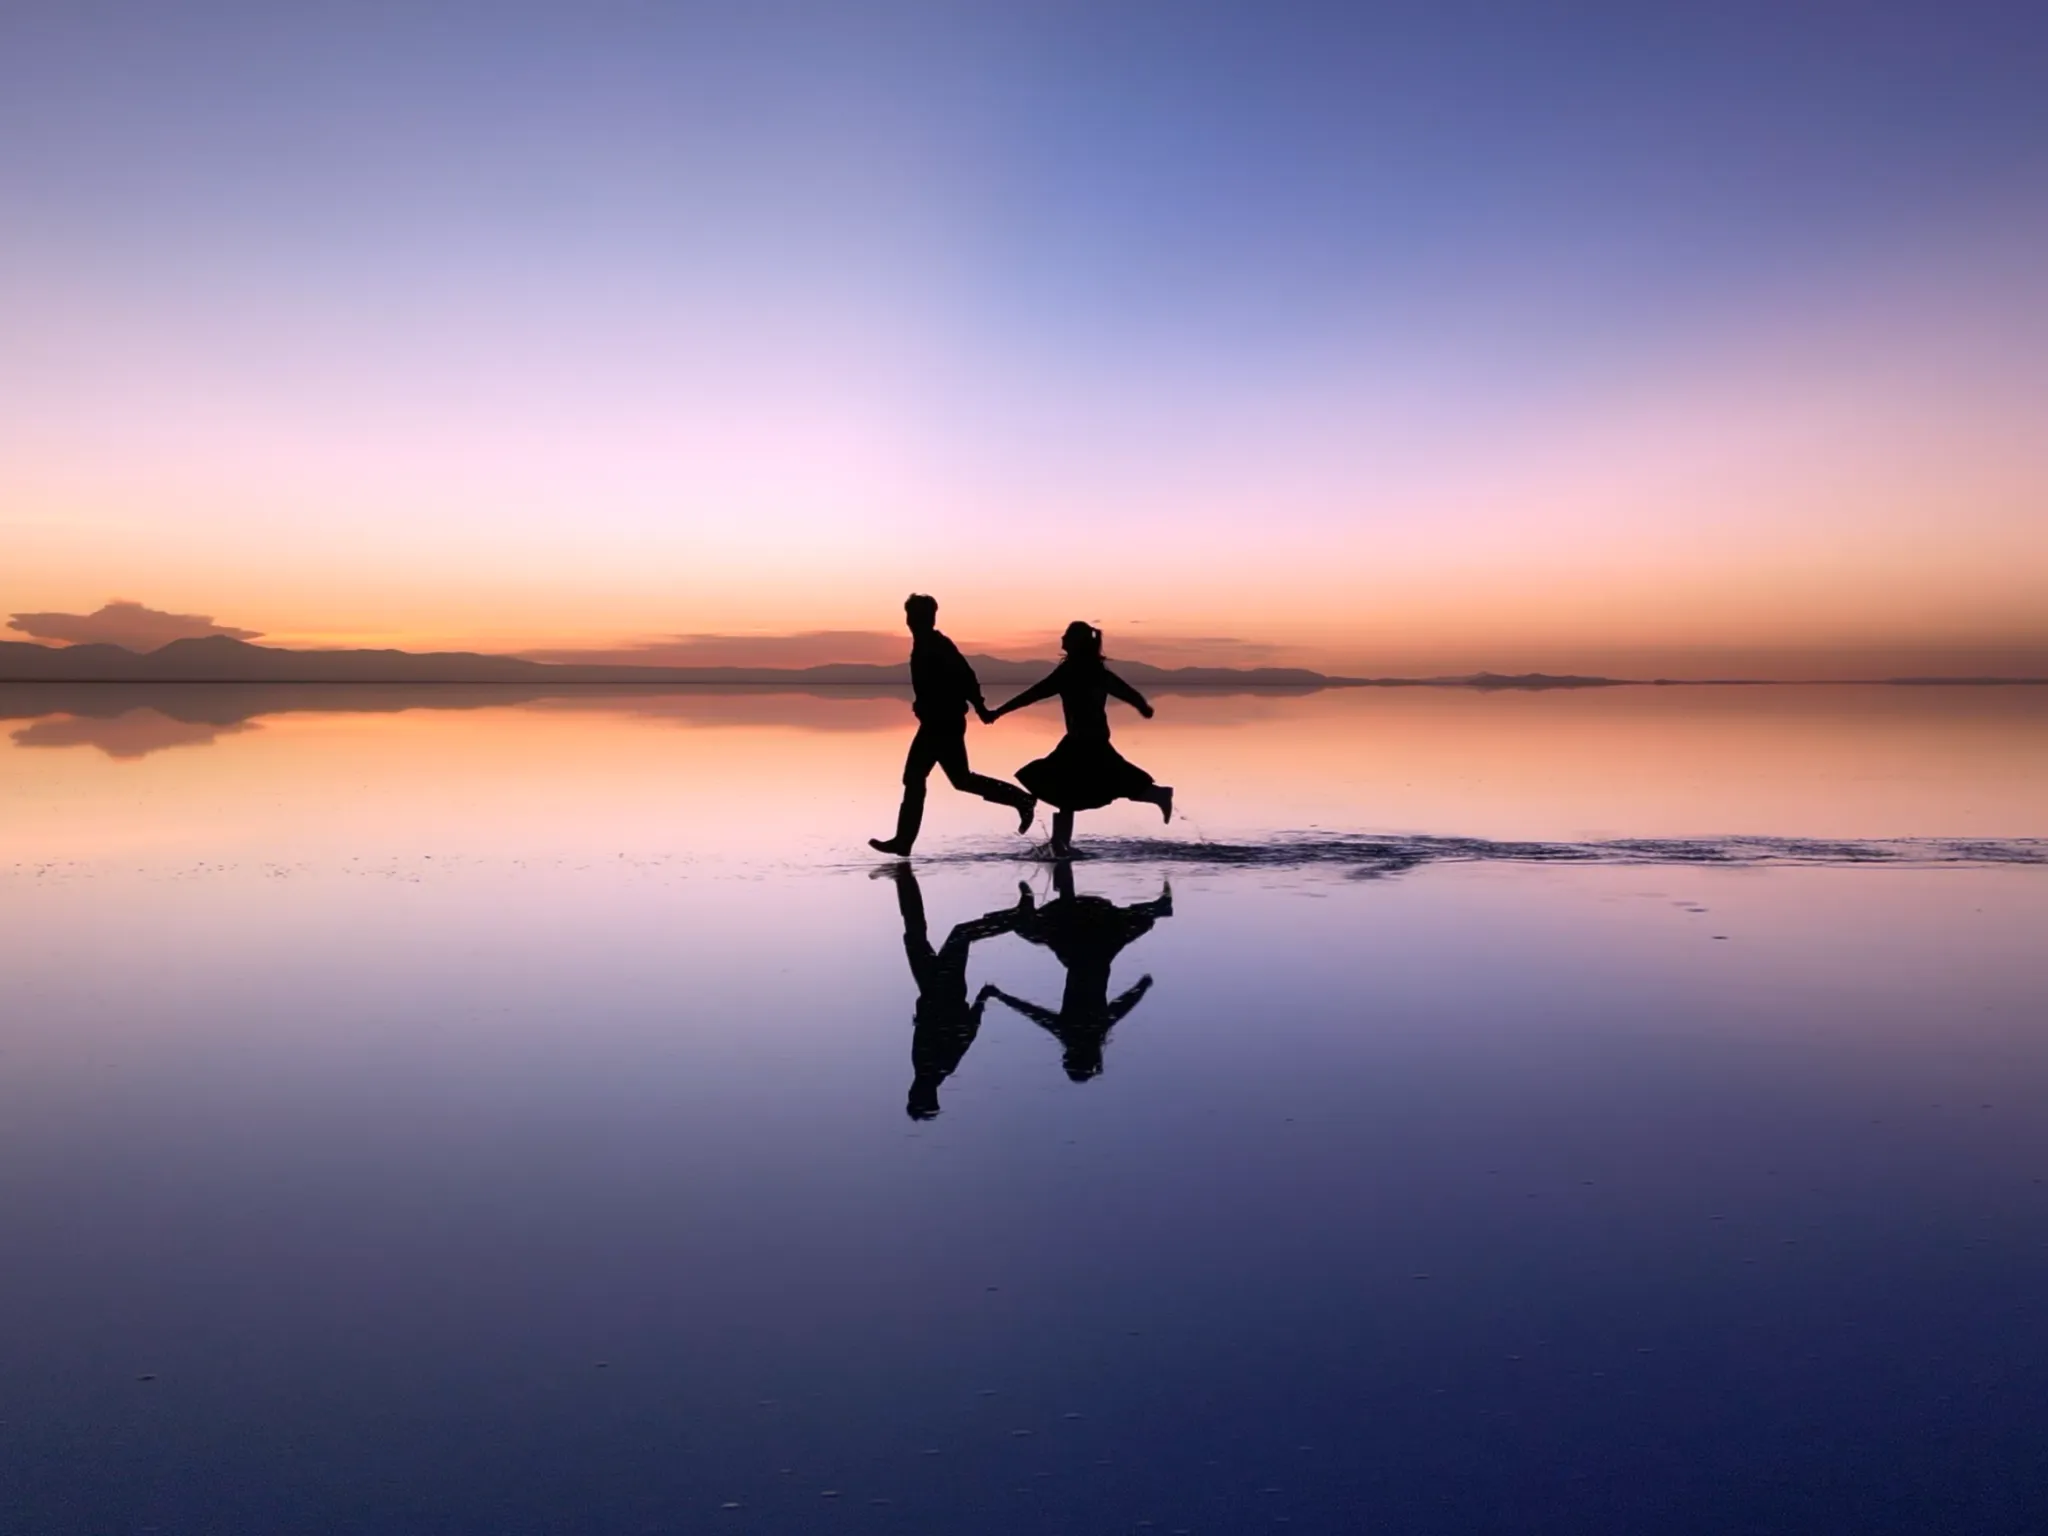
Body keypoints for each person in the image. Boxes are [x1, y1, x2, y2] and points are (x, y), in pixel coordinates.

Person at [984, 621, 1172, 856]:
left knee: (1110, 783)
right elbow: (1125, 691)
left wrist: (998, 712)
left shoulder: (1073, 671)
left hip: (1089, 744)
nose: (1061, 639)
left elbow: (1033, 694)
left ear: (1075, 642)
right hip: (1079, 741)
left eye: (1066, 636)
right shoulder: (1092, 670)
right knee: (1070, 790)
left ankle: (1160, 795)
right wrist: (1142, 706)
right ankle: (1059, 844)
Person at [869, 594, 1036, 856]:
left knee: (916, 777)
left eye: (919, 616)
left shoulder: (937, 645)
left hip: (943, 723)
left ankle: (904, 841)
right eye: (911, 616)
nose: (913, 621)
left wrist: (979, 707)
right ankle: (1020, 799)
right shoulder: (924, 644)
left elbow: (966, 676)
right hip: (939, 721)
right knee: (959, 779)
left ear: (930, 618)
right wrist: (922, 704)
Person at [978, 861, 1173, 1082]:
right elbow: (1035, 1013)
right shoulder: (1073, 1032)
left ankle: (1158, 908)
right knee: (1034, 927)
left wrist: (1142, 987)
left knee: (1126, 921)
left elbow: (1121, 1006)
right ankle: (1030, 902)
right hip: (1080, 951)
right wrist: (1001, 996)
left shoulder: (1095, 1030)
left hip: (1100, 949)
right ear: (1073, 1055)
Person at [878, 862, 1028, 1119]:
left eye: (912, 1096)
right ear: (925, 1095)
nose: (913, 1092)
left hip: (930, 987)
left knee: (915, 934)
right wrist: (981, 1000)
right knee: (960, 933)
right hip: (945, 990)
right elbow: (968, 1032)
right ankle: (1018, 917)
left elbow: (957, 1032)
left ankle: (904, 880)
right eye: (917, 1097)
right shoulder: (941, 1066)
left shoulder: (924, 1068)